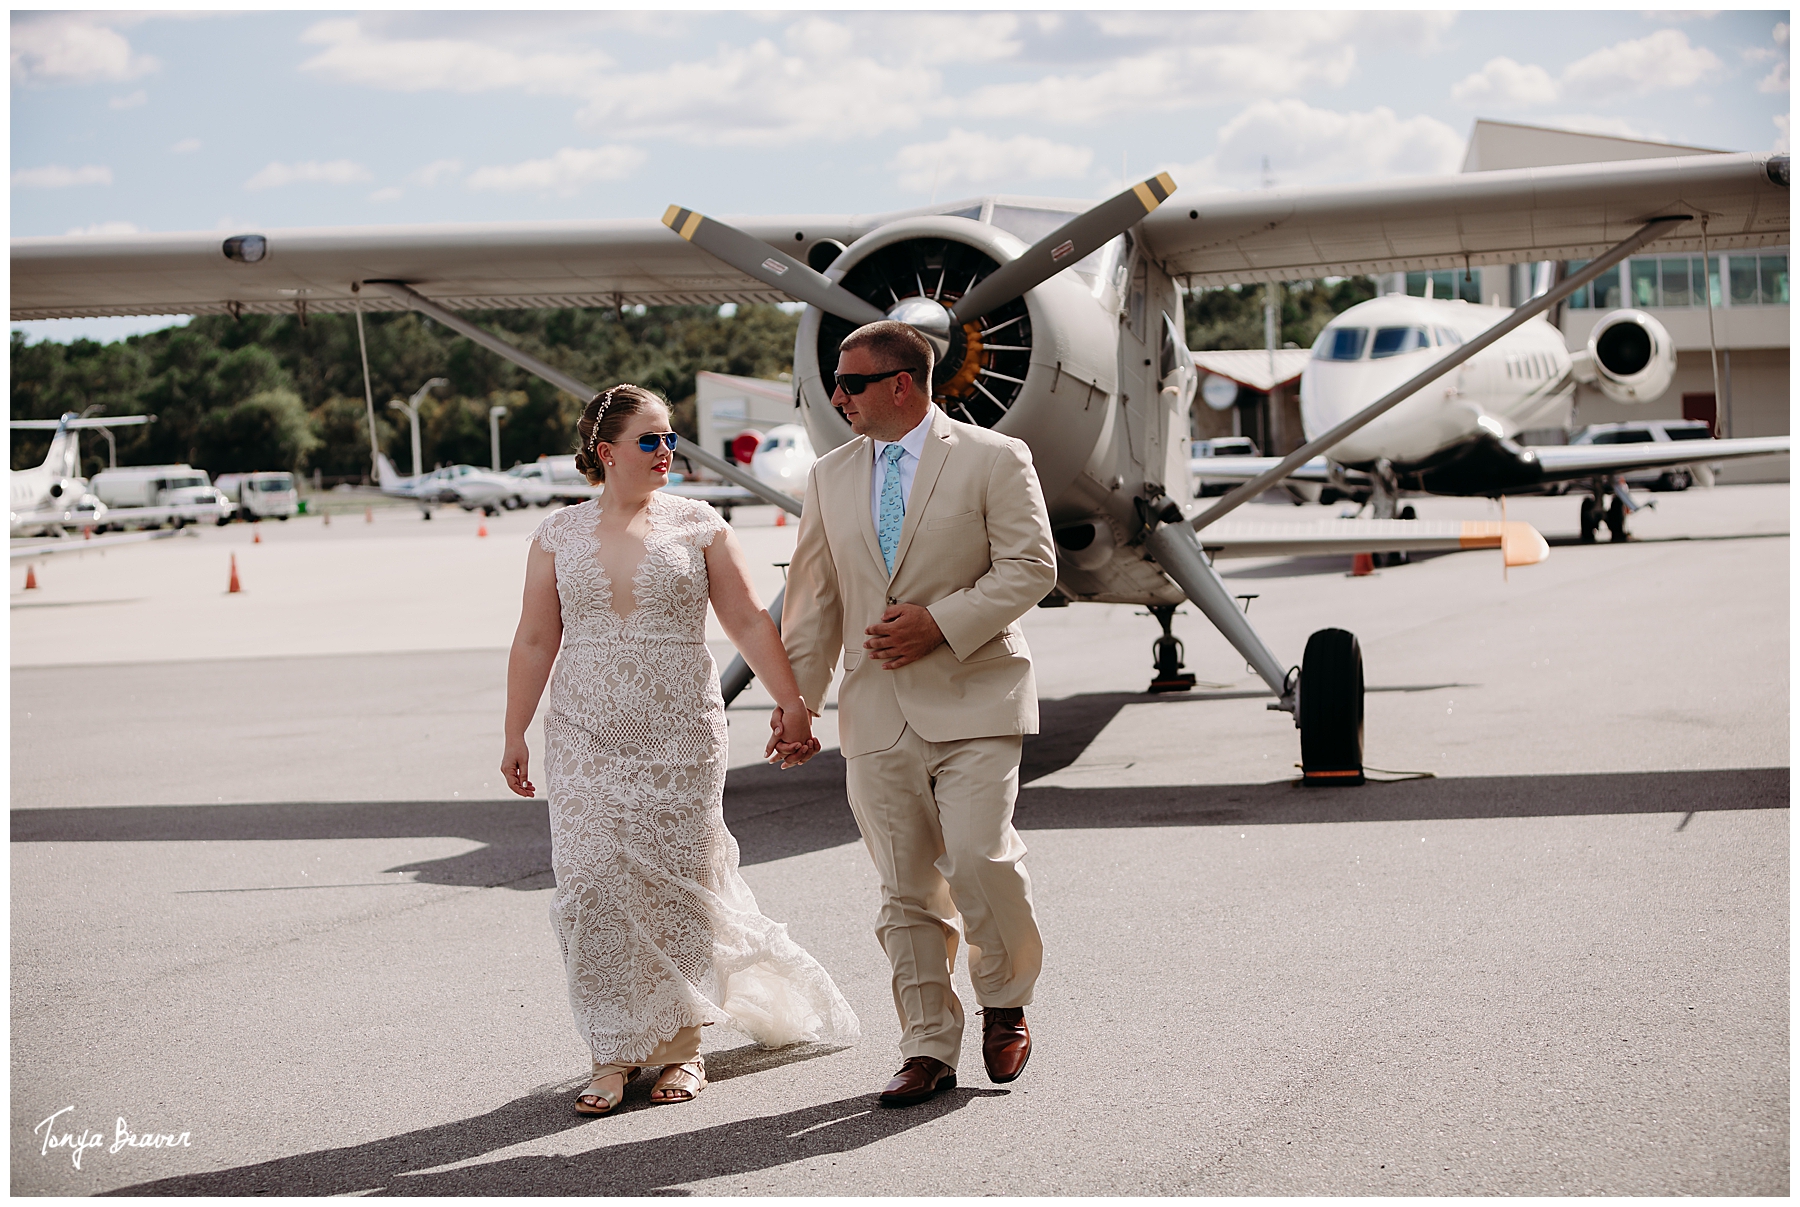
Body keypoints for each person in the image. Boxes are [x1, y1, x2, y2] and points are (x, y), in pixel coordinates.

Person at [502, 384, 857, 1118]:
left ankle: (681, 1043)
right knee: (592, 884)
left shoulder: (700, 524)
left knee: (675, 885)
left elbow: (750, 621)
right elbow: (536, 636)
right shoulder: (556, 534)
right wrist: (514, 731)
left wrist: (793, 701)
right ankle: (609, 1048)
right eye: (650, 440)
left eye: (671, 438)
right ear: (606, 453)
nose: (668, 451)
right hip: (583, 732)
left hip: (681, 731)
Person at [771, 321, 1058, 1108]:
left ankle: (1005, 998)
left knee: (976, 857)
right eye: (836, 382)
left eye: (852, 383)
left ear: (904, 383)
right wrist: (798, 703)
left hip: (977, 692)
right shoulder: (829, 475)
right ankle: (928, 1046)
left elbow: (1032, 566)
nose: (836, 396)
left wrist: (941, 620)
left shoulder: (997, 459)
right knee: (903, 890)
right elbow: (815, 602)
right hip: (875, 709)